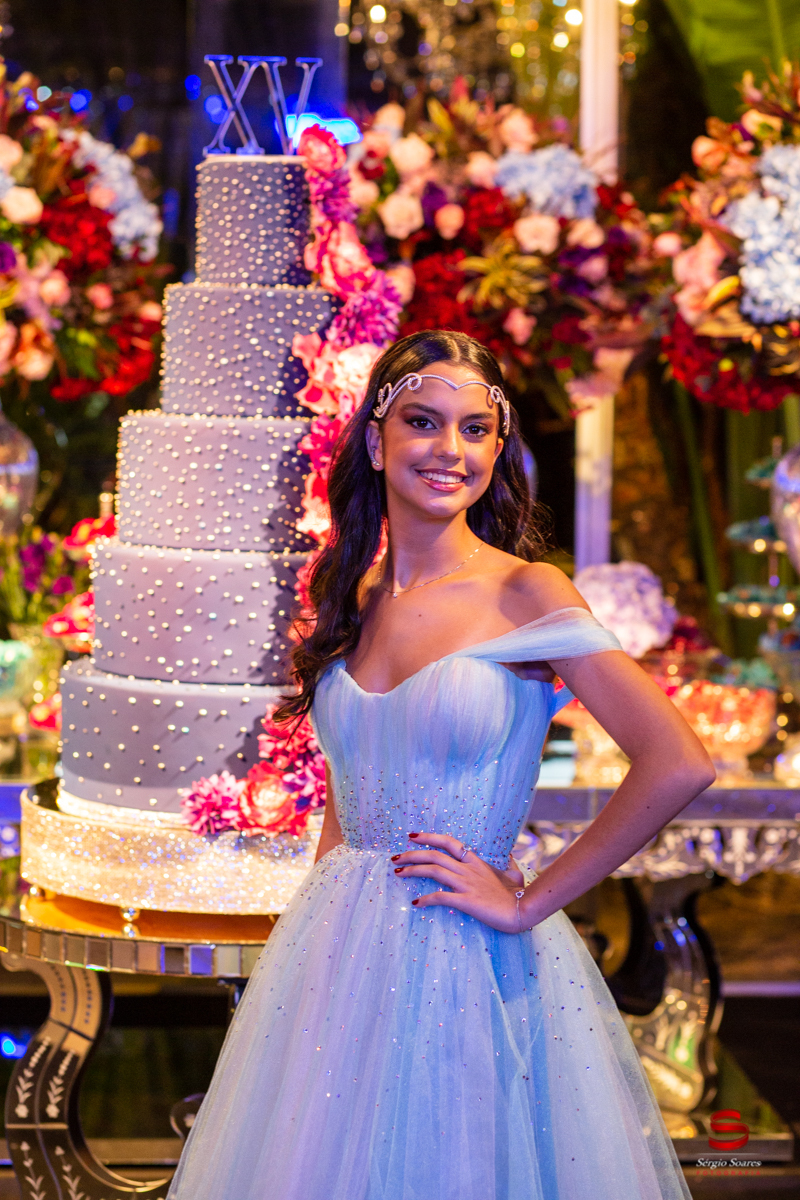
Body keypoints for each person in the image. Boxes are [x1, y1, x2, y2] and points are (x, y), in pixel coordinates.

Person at [168, 330, 714, 1200]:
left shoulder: (526, 594)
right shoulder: (355, 595)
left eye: (474, 428)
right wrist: (305, 961)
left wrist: (532, 899)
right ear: (376, 440)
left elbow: (677, 761)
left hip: (464, 952)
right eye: (423, 421)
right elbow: (351, 793)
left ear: (498, 450)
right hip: (339, 949)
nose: (448, 449)